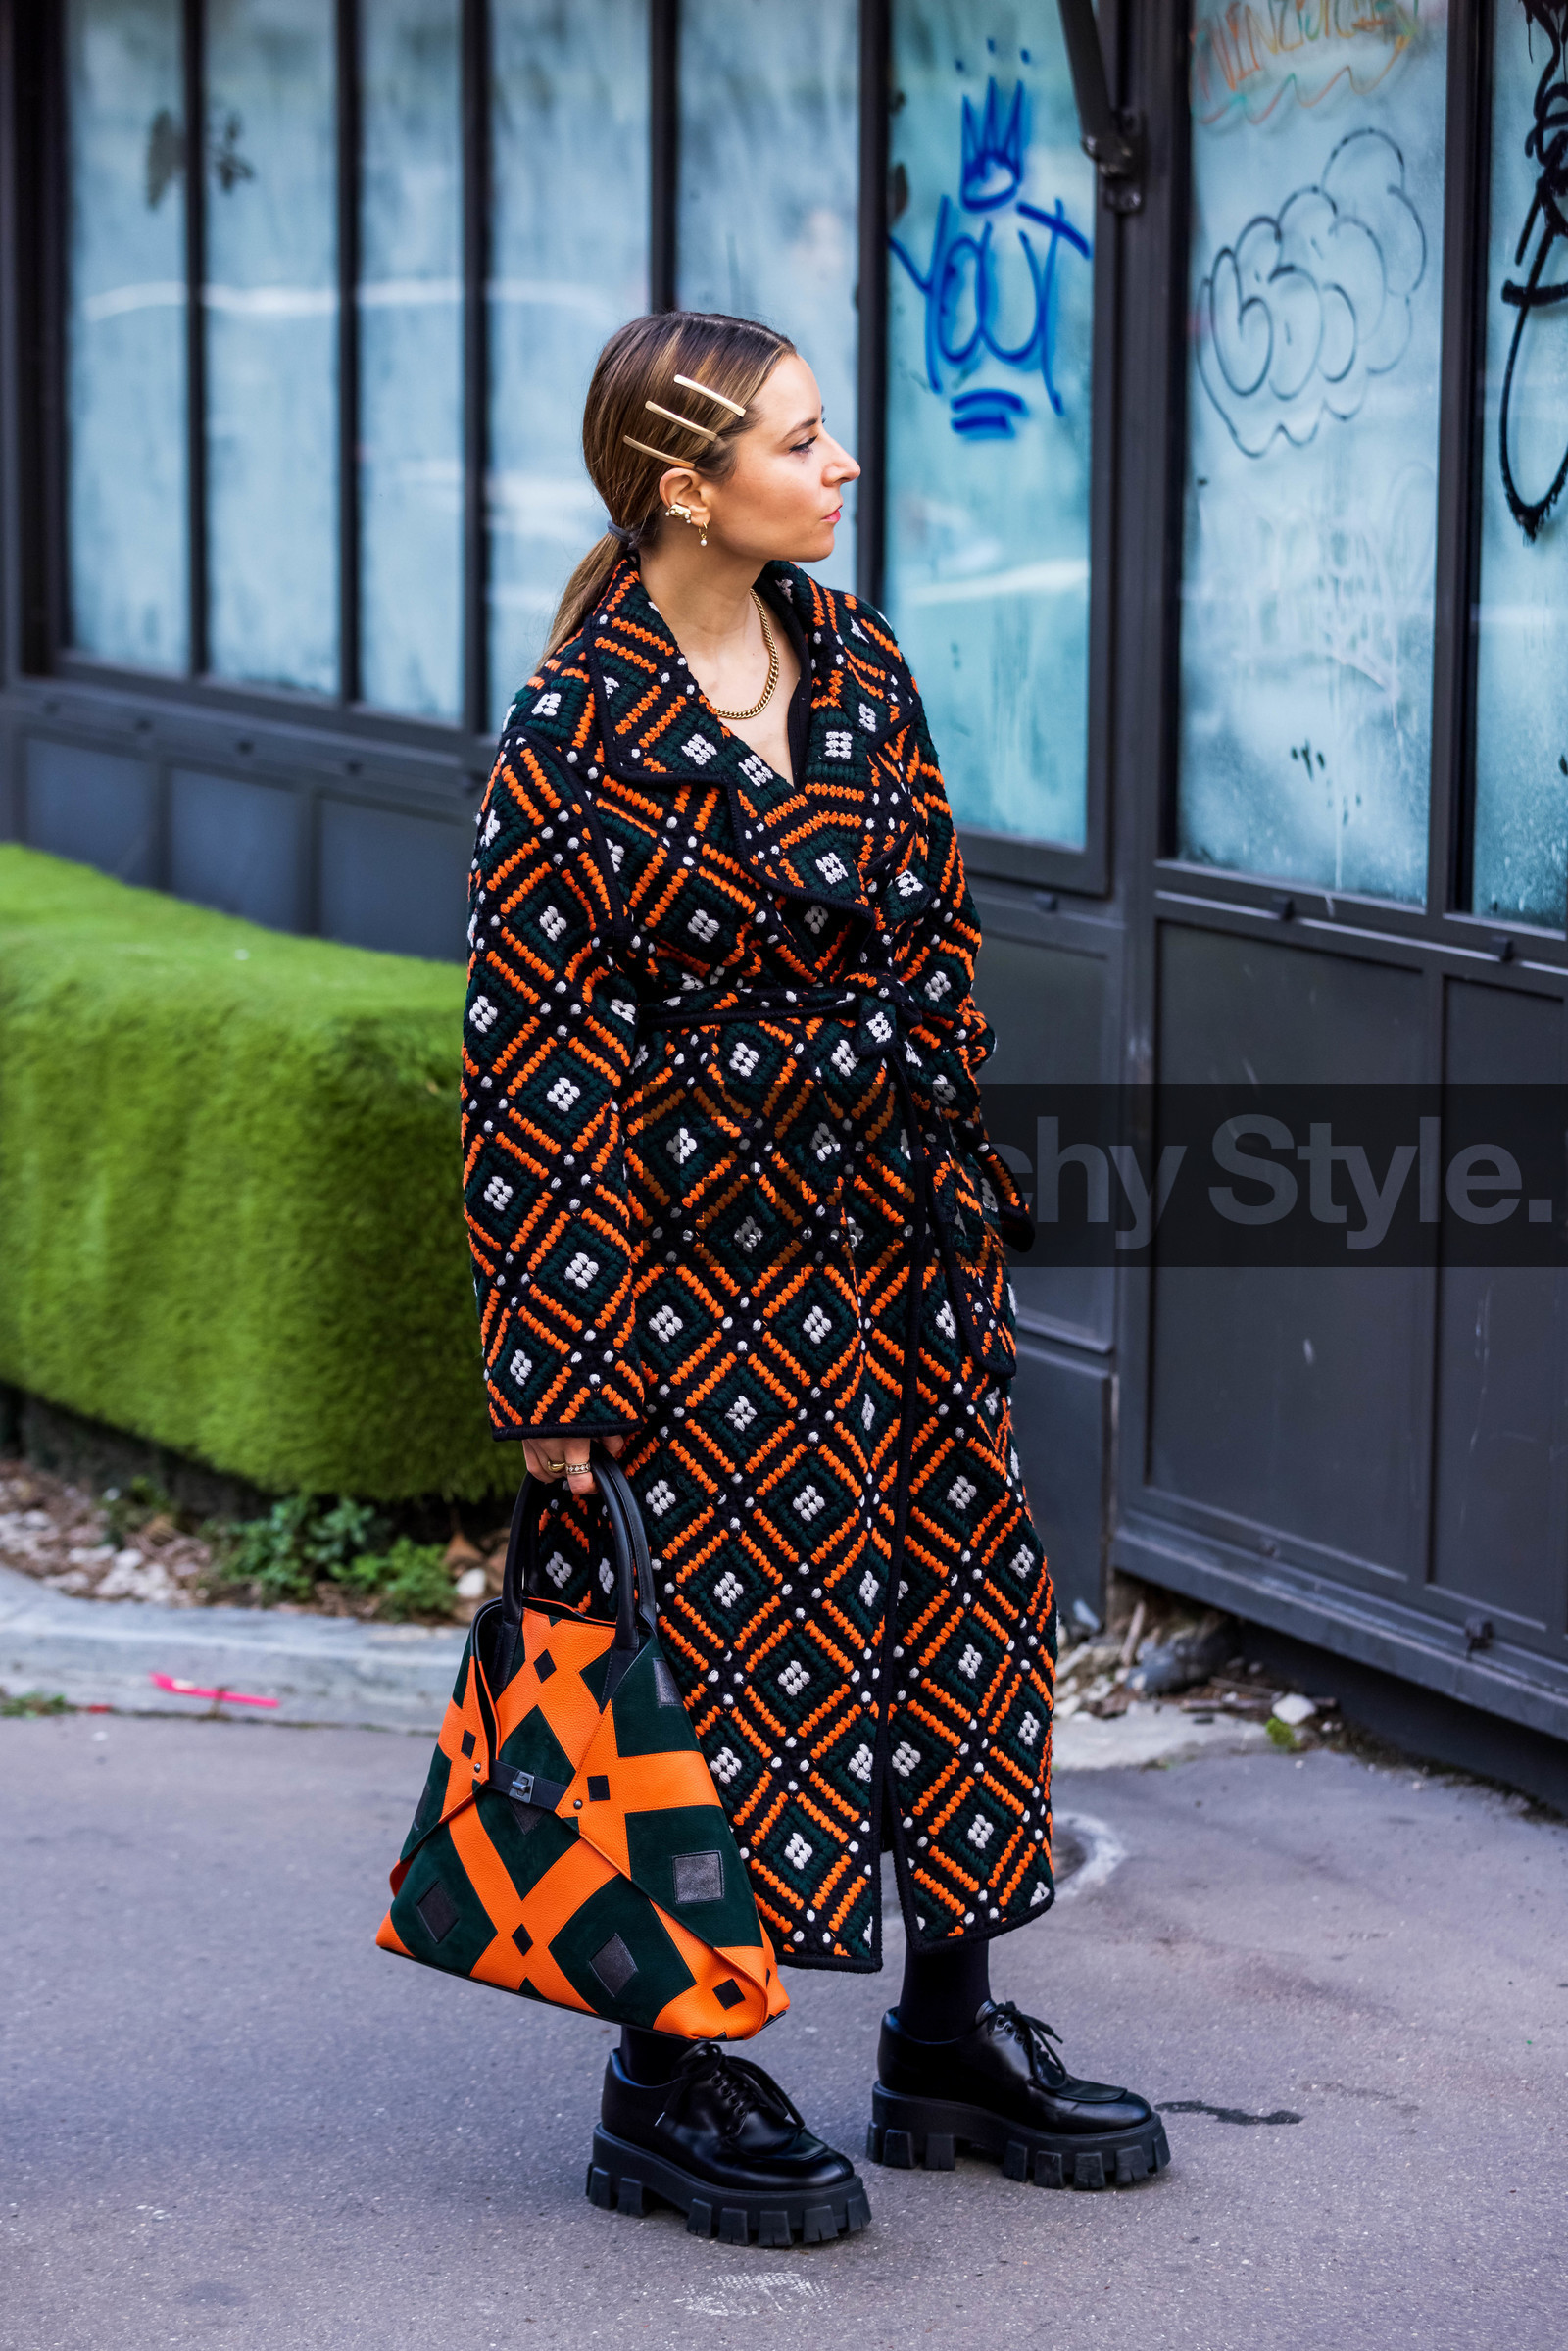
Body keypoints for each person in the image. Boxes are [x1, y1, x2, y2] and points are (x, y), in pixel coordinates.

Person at [461, 310, 1162, 2239]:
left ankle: (945, 2031)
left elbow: (936, 934)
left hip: (895, 1265)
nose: (838, 463)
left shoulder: (855, 663)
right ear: (682, 487)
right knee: (721, 1681)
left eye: (826, 428)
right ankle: (663, 2076)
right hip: (693, 1303)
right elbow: (531, 1073)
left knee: (957, 1620)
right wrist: (557, 1383)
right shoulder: (573, 738)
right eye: (799, 437)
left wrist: (943, 1164)